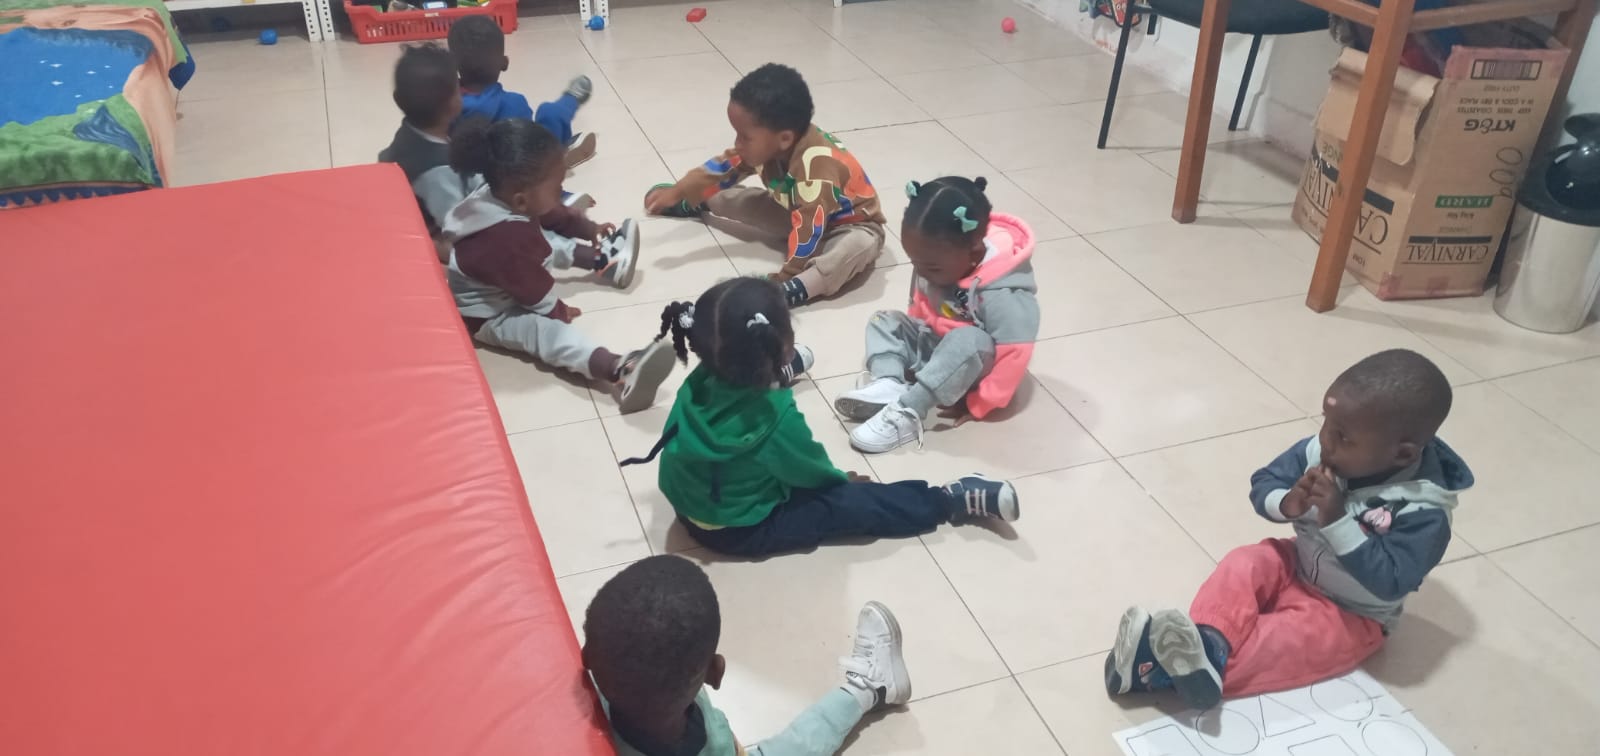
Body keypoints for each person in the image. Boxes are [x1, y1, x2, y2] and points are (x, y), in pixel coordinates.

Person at [1105, 349, 1474, 709]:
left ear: (1403, 454)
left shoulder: (1423, 511)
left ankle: (1157, 670)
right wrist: (1287, 503)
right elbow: (1265, 481)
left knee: (1279, 642)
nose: (1326, 441)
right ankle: (1209, 639)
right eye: (1326, 424)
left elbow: (1392, 580)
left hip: (1353, 613)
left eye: (1344, 437)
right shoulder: (1321, 451)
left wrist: (1337, 520)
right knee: (1245, 562)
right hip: (1296, 563)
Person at [620, 277, 1020, 557]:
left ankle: (777, 372)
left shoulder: (699, 381)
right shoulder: (776, 419)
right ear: (780, 343)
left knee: (762, 461)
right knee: (845, 506)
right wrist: (840, 480)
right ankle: (947, 501)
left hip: (687, 505)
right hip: (738, 530)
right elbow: (809, 471)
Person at [443, 117, 670, 413]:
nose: (561, 190)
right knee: (544, 333)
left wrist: (588, 229)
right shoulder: (503, 240)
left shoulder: (508, 196)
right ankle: (619, 369)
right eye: (557, 187)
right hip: (488, 315)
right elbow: (530, 287)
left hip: (508, 274)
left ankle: (606, 260)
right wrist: (554, 310)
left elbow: (552, 213)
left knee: (546, 240)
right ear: (522, 200)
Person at [584, 554, 912, 756]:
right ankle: (870, 688)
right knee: (800, 745)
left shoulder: (592, 691)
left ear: (586, 656)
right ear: (715, 674)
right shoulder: (712, 745)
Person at [641, 64, 885, 308]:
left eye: (745, 137)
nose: (738, 143)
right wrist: (680, 190)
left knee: (853, 249)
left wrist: (788, 275)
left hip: (850, 226)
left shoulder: (818, 168)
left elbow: (809, 225)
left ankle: (795, 288)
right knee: (742, 200)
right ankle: (699, 202)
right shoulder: (770, 145)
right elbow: (723, 168)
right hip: (798, 212)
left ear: (785, 138)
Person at [832, 176, 1040, 454]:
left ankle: (908, 409)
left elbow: (1014, 355)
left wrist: (980, 402)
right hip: (935, 342)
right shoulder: (936, 257)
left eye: (931, 268)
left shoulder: (1004, 293)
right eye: (915, 262)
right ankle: (888, 383)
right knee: (884, 320)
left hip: (972, 365)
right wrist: (914, 335)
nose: (922, 272)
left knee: (968, 339)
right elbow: (920, 303)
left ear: (974, 251)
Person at [447, 15, 597, 168]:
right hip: (520, 173)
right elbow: (527, 145)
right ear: (504, 63)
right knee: (550, 112)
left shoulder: (444, 106)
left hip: (468, 175)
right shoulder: (513, 103)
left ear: (451, 64)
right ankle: (570, 101)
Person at [377, 43, 477, 241]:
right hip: (437, 235)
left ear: (397, 100)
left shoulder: (407, 132)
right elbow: (458, 227)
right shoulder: (440, 171)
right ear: (454, 103)